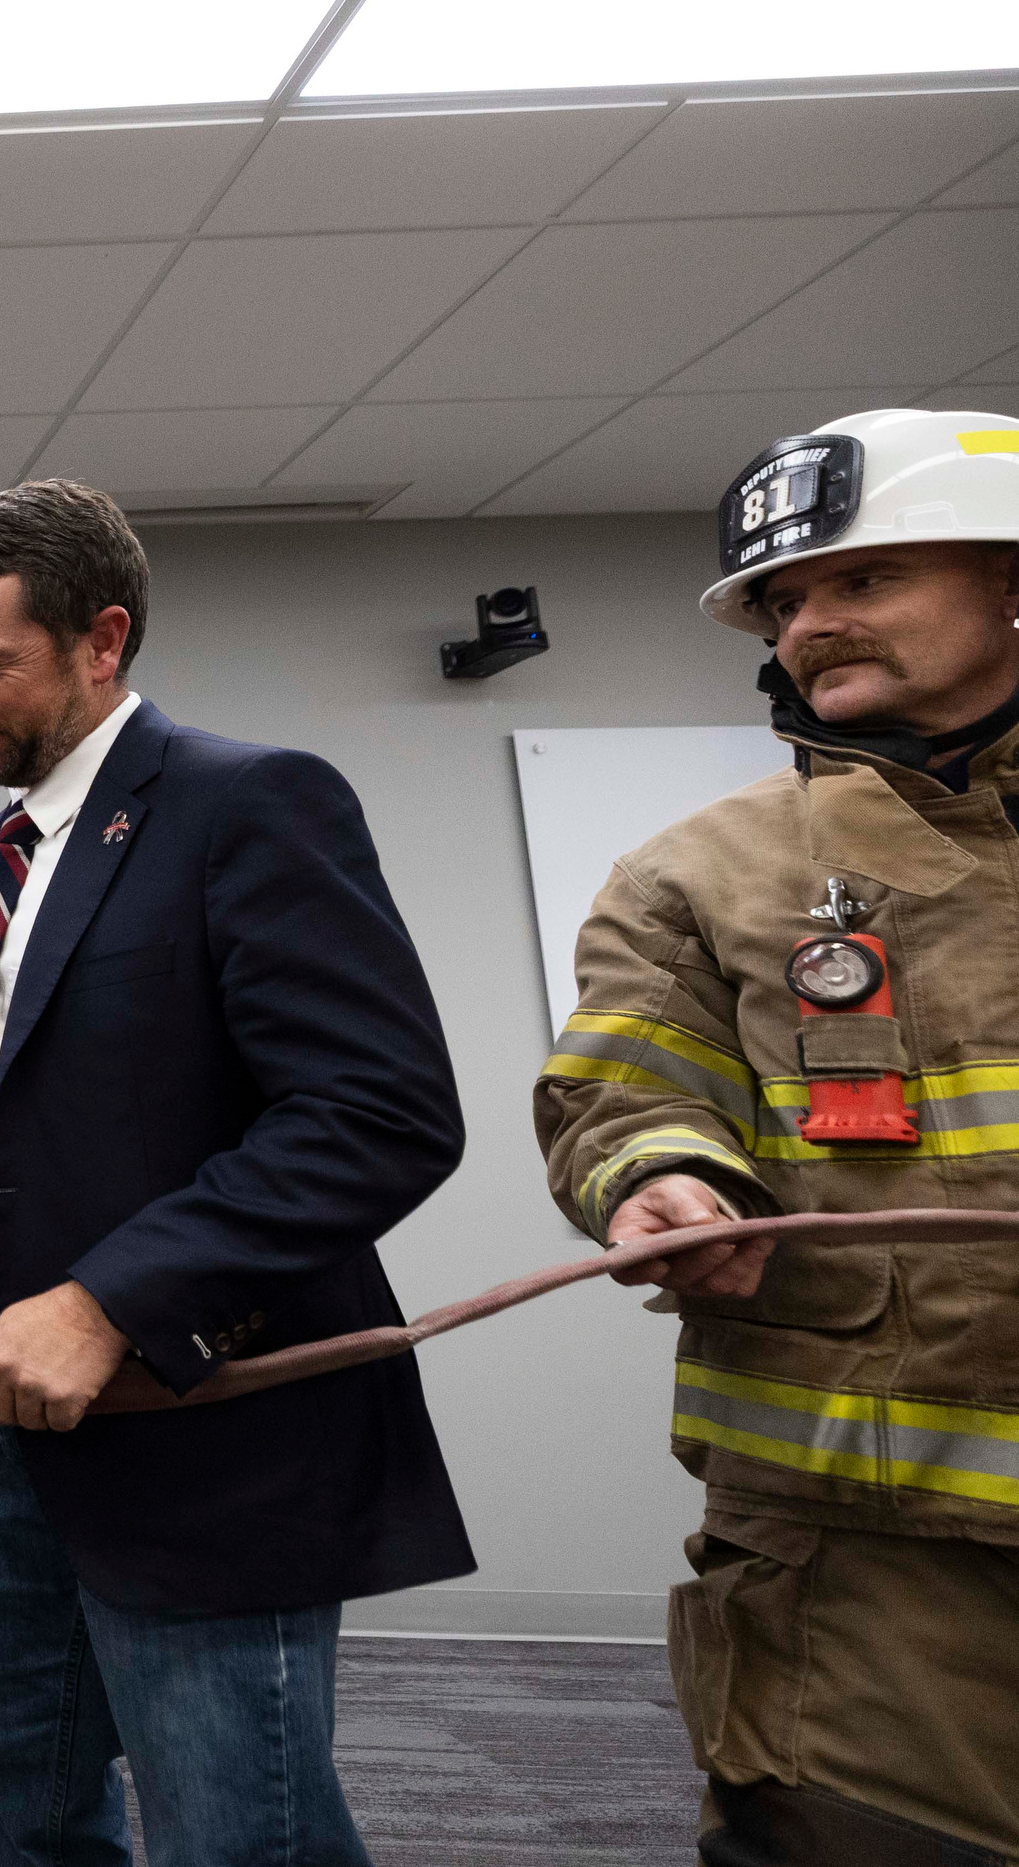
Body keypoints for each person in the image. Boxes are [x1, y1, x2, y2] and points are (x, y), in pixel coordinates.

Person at [0, 480, 472, 1867]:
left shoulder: (246, 801)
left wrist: (105, 1303)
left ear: (102, 640)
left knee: (233, 1829)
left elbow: (382, 1110)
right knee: (18, 1786)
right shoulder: (20, 840)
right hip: (9, 1414)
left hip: (207, 1422)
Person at [538, 409, 1019, 1863]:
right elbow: (622, 1089)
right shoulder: (702, 871)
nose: (813, 622)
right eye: (786, 600)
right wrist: (665, 1180)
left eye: (861, 580)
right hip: (864, 1568)